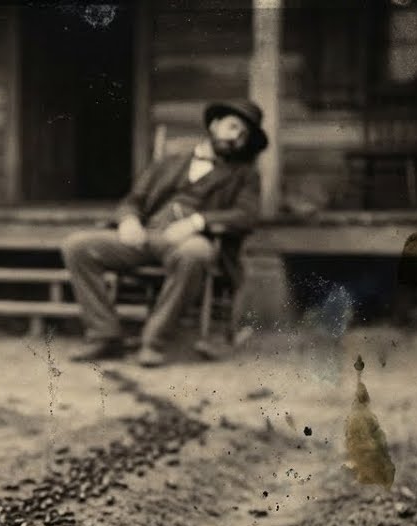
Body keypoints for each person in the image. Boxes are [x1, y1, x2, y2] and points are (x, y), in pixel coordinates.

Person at [61, 99, 268, 367]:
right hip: (146, 237)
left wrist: (197, 222)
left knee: (194, 253)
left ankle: (153, 341)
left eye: (243, 135)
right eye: (233, 127)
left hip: (192, 243)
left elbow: (246, 216)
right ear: (215, 125)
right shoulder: (169, 163)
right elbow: (134, 199)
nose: (236, 137)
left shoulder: (245, 175)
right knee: (77, 246)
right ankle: (104, 335)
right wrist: (129, 220)